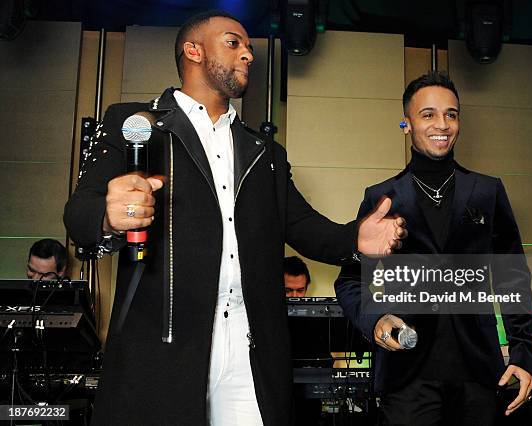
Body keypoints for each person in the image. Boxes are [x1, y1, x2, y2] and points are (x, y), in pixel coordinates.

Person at [63, 10, 405, 426]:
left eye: (249, 47)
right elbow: (79, 214)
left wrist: (356, 239)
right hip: (164, 345)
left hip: (251, 347)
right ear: (193, 50)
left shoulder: (265, 152)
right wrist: (107, 215)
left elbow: (304, 227)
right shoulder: (135, 124)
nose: (248, 54)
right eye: (234, 43)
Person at [335, 71, 532, 426]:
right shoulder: (380, 198)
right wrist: (376, 320)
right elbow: (351, 281)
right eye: (428, 114)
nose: (442, 124)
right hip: (406, 374)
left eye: (451, 114)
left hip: (477, 372)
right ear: (406, 124)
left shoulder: (488, 192)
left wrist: (523, 352)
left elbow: (512, 278)